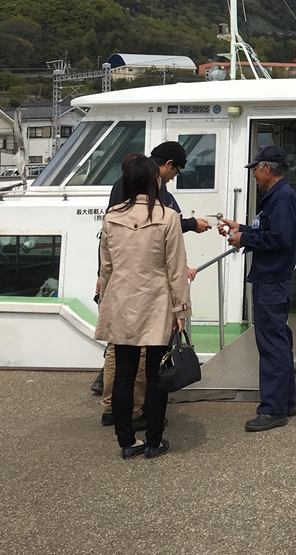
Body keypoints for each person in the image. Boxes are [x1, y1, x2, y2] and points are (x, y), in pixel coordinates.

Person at [98, 141, 205, 426]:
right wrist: (181, 310)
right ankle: (146, 427)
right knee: (150, 369)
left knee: (123, 368)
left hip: (123, 296)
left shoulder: (112, 215)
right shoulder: (166, 215)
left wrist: (104, 298)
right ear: (159, 173)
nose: (169, 178)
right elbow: (174, 265)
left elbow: (107, 263)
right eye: (174, 171)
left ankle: (122, 428)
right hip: (154, 299)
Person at [220, 144, 296, 432]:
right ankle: (284, 402)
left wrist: (244, 239)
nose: (254, 174)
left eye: (255, 168)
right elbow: (269, 231)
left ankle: (272, 409)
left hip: (272, 280)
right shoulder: (278, 196)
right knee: (278, 341)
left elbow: (279, 239)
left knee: (271, 345)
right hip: (273, 279)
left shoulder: (281, 198)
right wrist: (241, 228)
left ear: (267, 168)